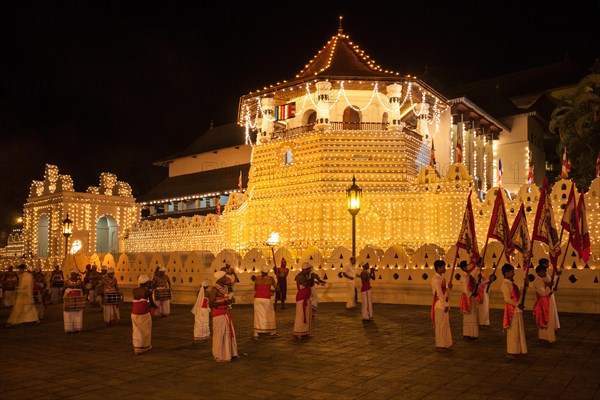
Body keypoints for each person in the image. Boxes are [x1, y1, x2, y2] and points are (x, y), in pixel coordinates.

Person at [209, 271, 238, 362]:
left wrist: (229, 300)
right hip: (218, 314)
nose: (226, 278)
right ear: (219, 279)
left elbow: (226, 297)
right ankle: (218, 356)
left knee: (227, 334)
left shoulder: (224, 288)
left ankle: (228, 354)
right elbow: (210, 304)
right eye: (224, 277)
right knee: (219, 335)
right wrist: (224, 302)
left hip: (225, 313)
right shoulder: (214, 290)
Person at [501, 263, 527, 359]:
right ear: (506, 273)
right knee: (513, 331)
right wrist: (517, 305)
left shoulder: (511, 283)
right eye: (512, 272)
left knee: (518, 330)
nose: (514, 274)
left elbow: (518, 296)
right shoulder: (504, 284)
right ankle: (512, 351)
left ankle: (518, 350)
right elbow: (507, 299)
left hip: (517, 309)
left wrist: (525, 287)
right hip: (512, 310)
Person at [533, 264, 557, 345]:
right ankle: (543, 337)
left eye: (545, 271)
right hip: (542, 303)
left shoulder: (542, 280)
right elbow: (543, 293)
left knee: (547, 320)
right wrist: (549, 287)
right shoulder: (537, 281)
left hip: (546, 302)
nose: (545, 273)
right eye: (543, 272)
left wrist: (550, 287)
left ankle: (545, 337)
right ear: (538, 272)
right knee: (543, 320)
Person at [431, 259, 452, 352]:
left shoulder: (442, 278)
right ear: (438, 268)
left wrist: (449, 288)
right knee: (441, 326)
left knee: (445, 325)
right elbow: (439, 294)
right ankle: (440, 345)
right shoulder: (436, 279)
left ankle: (445, 344)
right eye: (443, 267)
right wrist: (445, 304)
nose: (445, 268)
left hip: (443, 303)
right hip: (439, 304)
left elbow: (446, 293)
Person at [253, 265, 279, 339]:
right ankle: (272, 332)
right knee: (270, 314)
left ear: (261, 272)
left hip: (257, 298)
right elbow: (277, 288)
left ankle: (256, 333)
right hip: (266, 298)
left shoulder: (257, 278)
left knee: (258, 315)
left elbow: (255, 288)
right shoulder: (271, 278)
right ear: (268, 272)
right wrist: (273, 290)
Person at [131, 274, 154, 354]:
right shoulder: (148, 292)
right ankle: (145, 346)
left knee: (136, 330)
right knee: (145, 330)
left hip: (134, 313)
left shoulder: (134, 290)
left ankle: (137, 347)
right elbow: (152, 304)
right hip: (143, 313)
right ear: (147, 283)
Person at [458, 261, 479, 340]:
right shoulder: (463, 277)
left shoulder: (469, 276)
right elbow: (465, 290)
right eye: (467, 265)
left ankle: (472, 333)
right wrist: (472, 293)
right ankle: (467, 333)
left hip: (471, 297)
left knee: (473, 316)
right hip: (467, 298)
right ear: (464, 267)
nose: (469, 266)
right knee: (468, 317)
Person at [539, 258, 560, 331]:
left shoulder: (545, 273)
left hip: (550, 293)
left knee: (552, 310)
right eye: (547, 263)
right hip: (547, 295)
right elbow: (550, 283)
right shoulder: (543, 276)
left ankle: (553, 326)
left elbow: (551, 283)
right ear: (543, 264)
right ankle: (550, 326)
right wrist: (556, 276)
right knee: (549, 311)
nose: (548, 265)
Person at [293, 262, 313, 339]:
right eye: (309, 269)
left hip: (306, 297)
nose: (310, 270)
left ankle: (306, 331)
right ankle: (299, 332)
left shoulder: (305, 275)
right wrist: (311, 278)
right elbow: (305, 284)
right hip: (301, 298)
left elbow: (310, 285)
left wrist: (311, 277)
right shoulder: (300, 276)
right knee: (301, 315)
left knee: (307, 315)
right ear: (306, 269)